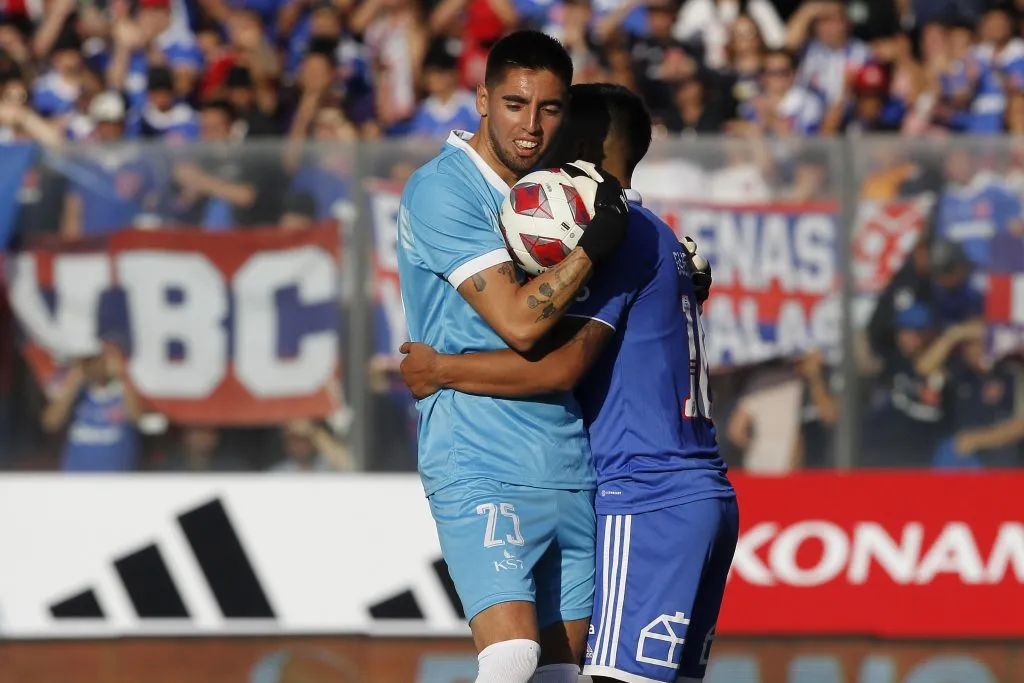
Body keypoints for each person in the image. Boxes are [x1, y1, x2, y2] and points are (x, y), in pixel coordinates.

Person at [400, 83, 737, 683]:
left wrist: (442, 369)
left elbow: (560, 365)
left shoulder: (619, 234)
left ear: (578, 144)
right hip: (701, 492)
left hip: (645, 492)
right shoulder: (660, 235)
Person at [395, 31, 630, 683]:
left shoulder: (560, 192)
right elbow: (523, 324)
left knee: (561, 672)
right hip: (475, 448)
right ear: (481, 99)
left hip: (563, 450)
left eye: (549, 108)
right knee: (511, 655)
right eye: (515, 103)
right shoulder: (444, 189)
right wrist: (591, 249)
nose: (531, 125)